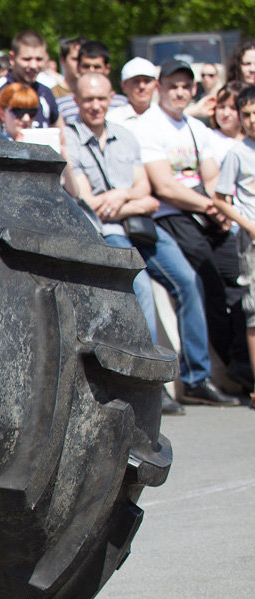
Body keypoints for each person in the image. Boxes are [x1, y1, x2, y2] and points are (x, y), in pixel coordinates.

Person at [64, 72, 216, 415]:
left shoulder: (126, 136)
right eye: (88, 99)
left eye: (101, 98)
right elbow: (88, 201)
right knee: (142, 288)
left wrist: (121, 196)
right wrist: (127, 197)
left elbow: (147, 196)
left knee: (188, 281)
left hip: (141, 224)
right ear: (77, 101)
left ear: (111, 98)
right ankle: (151, 384)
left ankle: (197, 378)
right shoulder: (70, 139)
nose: (95, 106)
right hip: (105, 229)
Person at [133, 59, 249, 402]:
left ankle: (240, 368)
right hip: (170, 216)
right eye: (173, 85)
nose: (180, 92)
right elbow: (165, 187)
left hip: (205, 213)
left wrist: (220, 210)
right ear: (160, 87)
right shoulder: (149, 126)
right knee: (202, 278)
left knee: (236, 277)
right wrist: (210, 207)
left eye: (186, 86)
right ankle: (202, 376)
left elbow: (212, 177)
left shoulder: (197, 128)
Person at [213, 85, 255, 407]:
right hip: (251, 242)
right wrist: (248, 225)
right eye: (247, 115)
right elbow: (221, 200)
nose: (252, 120)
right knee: (254, 314)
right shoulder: (237, 153)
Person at [0, 30, 61, 129]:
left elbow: (59, 133)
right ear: (12, 58)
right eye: (27, 59)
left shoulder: (46, 92)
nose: (33, 65)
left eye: (39, 59)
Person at [109, 57, 160, 130]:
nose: (142, 86)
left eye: (147, 81)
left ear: (156, 84)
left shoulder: (166, 117)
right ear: (124, 86)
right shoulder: (112, 119)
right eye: (136, 81)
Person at [209, 82, 244, 160]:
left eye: (233, 108)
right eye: (221, 107)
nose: (226, 114)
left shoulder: (250, 142)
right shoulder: (207, 137)